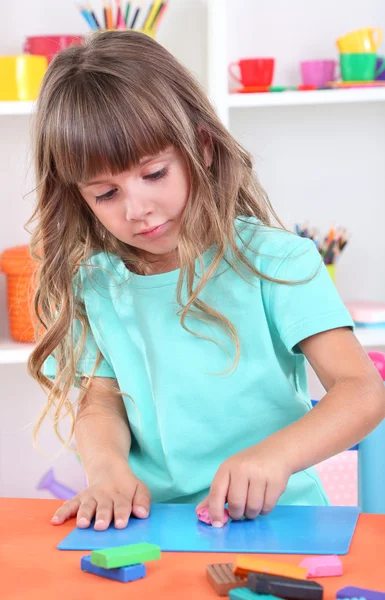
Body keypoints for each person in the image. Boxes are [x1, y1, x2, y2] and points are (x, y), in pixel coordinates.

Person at [28, 30, 385, 532]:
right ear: (77, 197)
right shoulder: (97, 283)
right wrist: (106, 471)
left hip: (280, 518)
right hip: (152, 523)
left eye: (154, 174)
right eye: (106, 193)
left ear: (202, 146)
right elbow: (101, 400)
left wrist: (274, 457)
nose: (137, 209)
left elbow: (362, 391)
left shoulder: (277, 261)